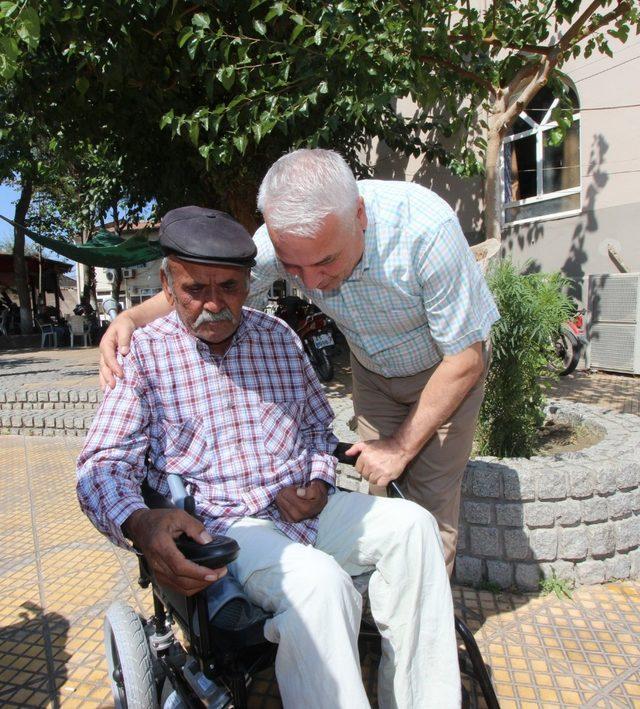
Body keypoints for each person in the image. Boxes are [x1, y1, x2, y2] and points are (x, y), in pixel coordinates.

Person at [78, 206, 460, 708]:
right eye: (196, 290)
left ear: (248, 283)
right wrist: (141, 522)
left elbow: (316, 428)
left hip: (307, 509)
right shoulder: (145, 356)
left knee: (414, 527)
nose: (214, 305)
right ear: (168, 287)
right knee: (322, 586)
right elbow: (101, 465)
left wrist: (321, 481)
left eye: (230, 288)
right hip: (230, 528)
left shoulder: (278, 338)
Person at [98, 149, 500, 575]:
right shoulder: (280, 239)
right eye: (293, 267)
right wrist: (129, 317)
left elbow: (466, 357)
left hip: (445, 371)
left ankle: (428, 624)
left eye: (325, 261)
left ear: (358, 216)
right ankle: (375, 618)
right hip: (373, 371)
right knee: (380, 493)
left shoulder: (425, 230)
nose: (310, 283)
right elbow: (206, 286)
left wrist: (400, 447)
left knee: (429, 511)